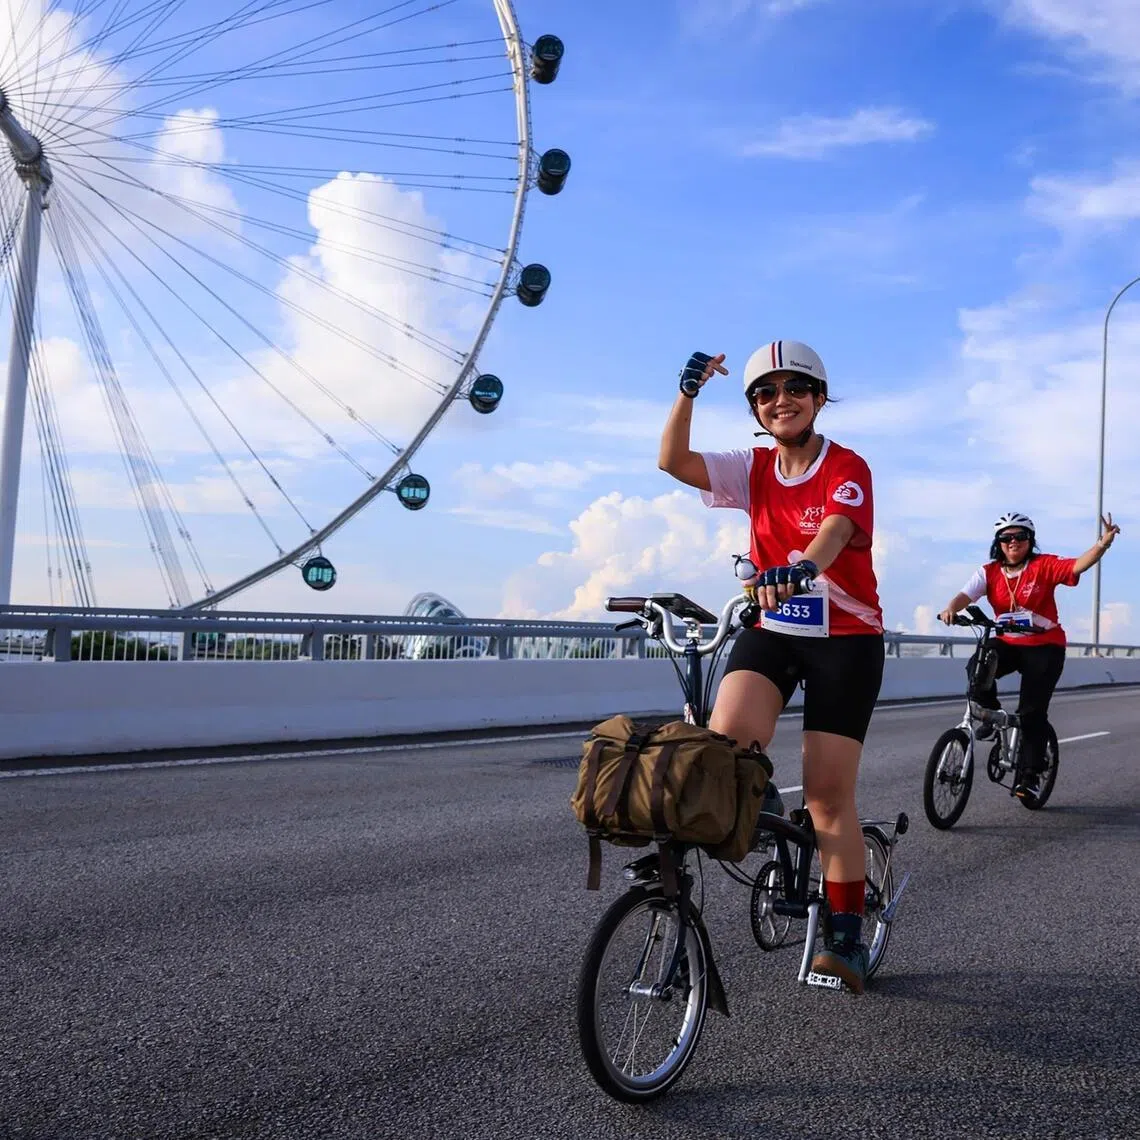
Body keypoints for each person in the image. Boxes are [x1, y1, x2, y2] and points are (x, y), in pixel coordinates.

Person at [658, 341, 885, 994]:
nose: (779, 401)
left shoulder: (846, 466)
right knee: (726, 751)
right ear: (755, 409)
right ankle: (769, 807)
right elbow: (673, 460)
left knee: (827, 797)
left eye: (794, 389)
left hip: (845, 640)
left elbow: (836, 529)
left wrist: (804, 567)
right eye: (765, 393)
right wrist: (689, 390)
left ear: (817, 397)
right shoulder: (752, 468)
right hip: (775, 631)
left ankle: (846, 938)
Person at [937, 511, 1120, 798]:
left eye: (1020, 536)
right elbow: (966, 595)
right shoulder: (989, 572)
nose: (1013, 542)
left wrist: (1102, 544)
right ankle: (989, 715)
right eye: (1006, 538)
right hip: (1009, 644)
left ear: (1029, 540)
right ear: (999, 542)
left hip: (1045, 647)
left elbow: (1076, 567)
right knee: (979, 665)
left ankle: (1030, 777)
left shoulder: (1043, 566)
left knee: (1031, 712)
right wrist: (951, 608)